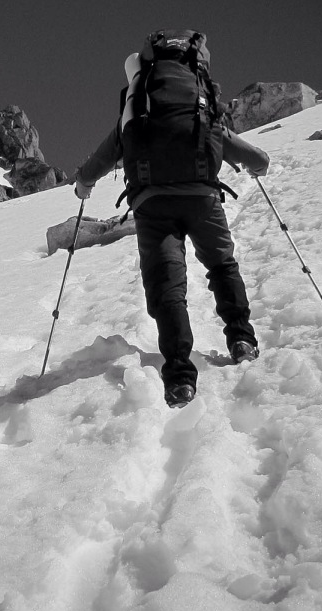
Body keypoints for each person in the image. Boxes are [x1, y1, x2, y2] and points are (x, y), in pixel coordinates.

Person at [74, 37, 270, 408]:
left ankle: (180, 377)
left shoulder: (137, 107)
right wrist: (258, 163)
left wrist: (84, 183)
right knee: (222, 266)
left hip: (153, 204)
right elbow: (235, 145)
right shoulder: (198, 102)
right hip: (203, 198)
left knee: (167, 286)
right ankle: (241, 338)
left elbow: (104, 155)